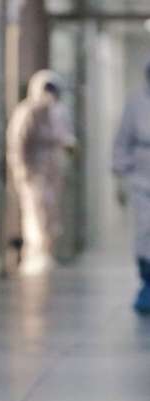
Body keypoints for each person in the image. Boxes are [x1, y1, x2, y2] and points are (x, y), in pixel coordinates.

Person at [7, 70, 76, 275]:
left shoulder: (58, 113)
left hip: (53, 172)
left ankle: (47, 253)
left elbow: (65, 137)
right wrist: (21, 171)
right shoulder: (26, 112)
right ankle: (33, 255)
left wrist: (69, 148)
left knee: (51, 213)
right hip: (33, 174)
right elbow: (17, 144)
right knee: (35, 213)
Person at [113, 60, 150, 314]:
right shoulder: (135, 103)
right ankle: (147, 282)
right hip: (141, 178)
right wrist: (120, 175)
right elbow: (122, 140)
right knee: (144, 231)